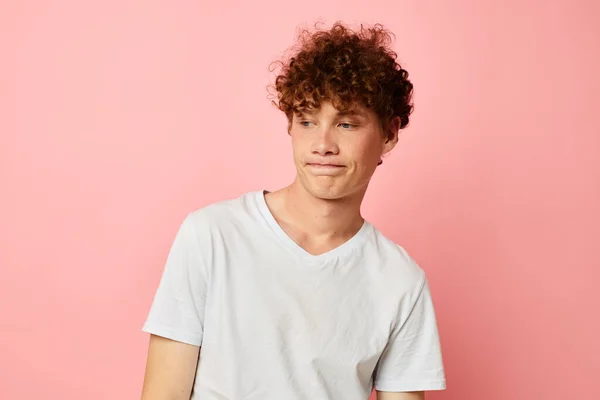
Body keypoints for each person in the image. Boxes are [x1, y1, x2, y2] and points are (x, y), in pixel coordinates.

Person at [140, 21, 446, 400]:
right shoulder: (212, 235)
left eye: (347, 123)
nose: (323, 144)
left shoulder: (401, 280)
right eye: (306, 121)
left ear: (389, 134)